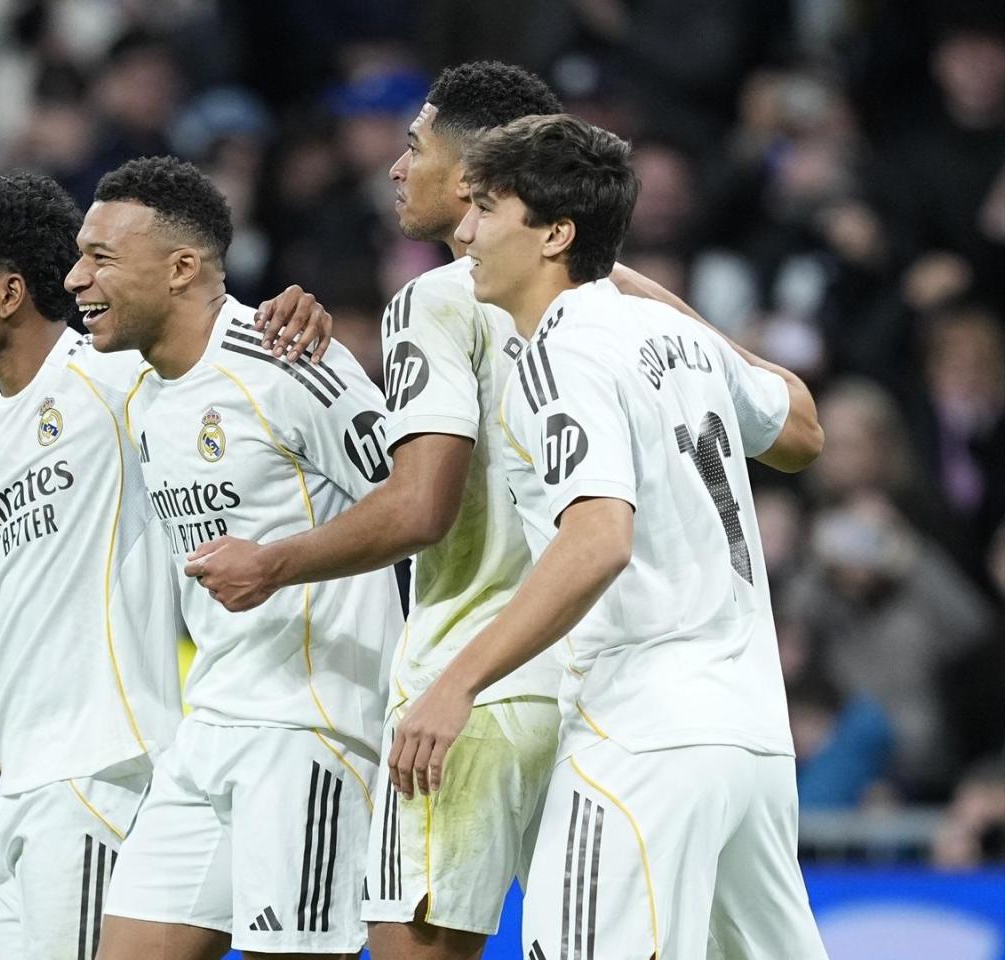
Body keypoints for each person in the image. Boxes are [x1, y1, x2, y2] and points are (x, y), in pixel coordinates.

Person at [0, 172, 333, 959]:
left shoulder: (116, 379)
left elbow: (209, 345)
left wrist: (287, 311)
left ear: (10, 293)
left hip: (108, 767)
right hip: (19, 790)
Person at [406, 114, 827, 959]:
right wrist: (652, 301)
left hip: (640, 735)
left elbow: (599, 539)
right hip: (748, 741)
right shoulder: (676, 333)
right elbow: (802, 432)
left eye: (486, 209)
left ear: (555, 234)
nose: (465, 233)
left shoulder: (557, 358)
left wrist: (456, 681)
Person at [183, 61, 566, 960]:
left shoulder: (437, 299)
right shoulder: (619, 300)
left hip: (468, 684)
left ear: (472, 175)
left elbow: (421, 505)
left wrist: (271, 563)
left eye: (414, 147)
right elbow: (795, 423)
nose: (396, 167)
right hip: (593, 682)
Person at [75, 156, 398, 960]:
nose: (77, 278)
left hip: (312, 721)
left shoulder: (289, 357)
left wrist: (277, 562)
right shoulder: (141, 388)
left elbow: (416, 503)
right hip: (210, 720)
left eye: (101, 258)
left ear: (182, 268)